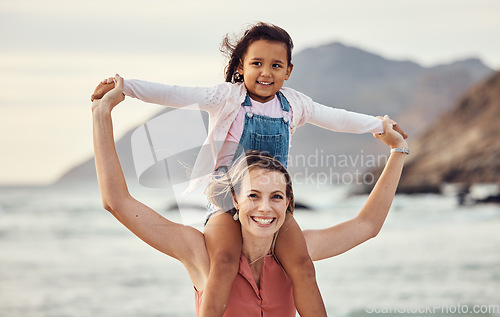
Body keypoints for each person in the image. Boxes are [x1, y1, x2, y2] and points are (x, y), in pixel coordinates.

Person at [91, 22, 407, 317]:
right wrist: (126, 87)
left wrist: (380, 127)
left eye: (276, 65)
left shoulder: (295, 105)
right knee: (224, 263)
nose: (266, 72)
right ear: (241, 66)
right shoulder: (227, 98)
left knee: (303, 266)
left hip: (262, 189)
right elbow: (177, 94)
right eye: (257, 63)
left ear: (288, 72)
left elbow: (338, 118)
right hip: (223, 201)